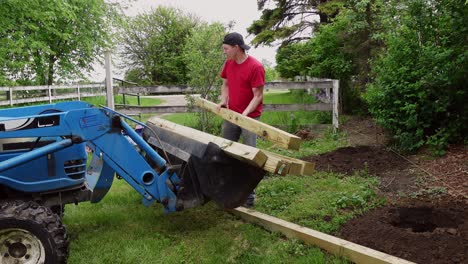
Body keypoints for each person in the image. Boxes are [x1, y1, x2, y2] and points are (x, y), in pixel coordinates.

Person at [218, 32, 265, 208]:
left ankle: (249, 198)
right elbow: (226, 84)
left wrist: (244, 115)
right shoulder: (229, 63)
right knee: (226, 151)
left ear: (236, 48)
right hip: (232, 115)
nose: (224, 52)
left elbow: (258, 95)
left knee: (248, 156)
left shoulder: (256, 67)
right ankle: (228, 190)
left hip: (250, 118)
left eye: (226, 49)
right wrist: (224, 100)